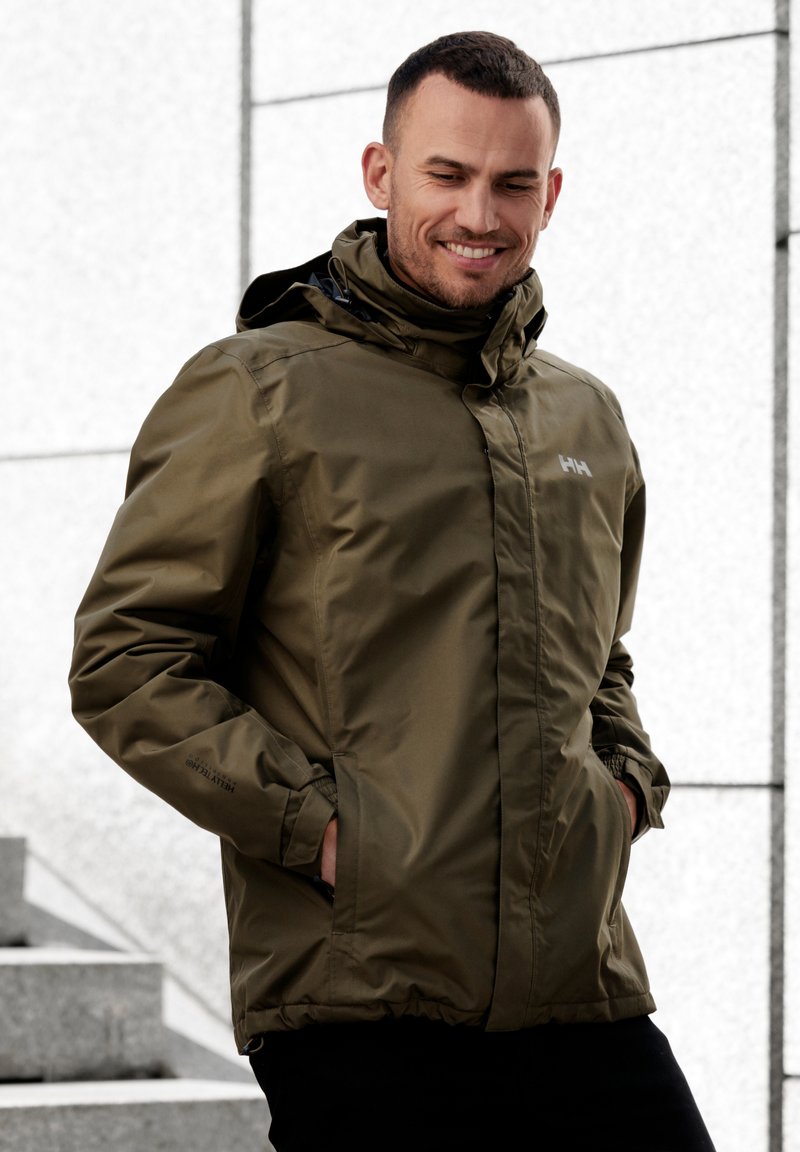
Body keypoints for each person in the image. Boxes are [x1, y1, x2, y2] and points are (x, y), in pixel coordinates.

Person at [69, 30, 717, 1152]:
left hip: (580, 982)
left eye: (513, 183)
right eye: (446, 174)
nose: (479, 213)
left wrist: (622, 787)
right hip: (360, 998)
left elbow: (598, 655)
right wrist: (327, 832)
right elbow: (128, 662)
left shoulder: (584, 417)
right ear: (381, 174)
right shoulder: (260, 389)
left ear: (551, 193)